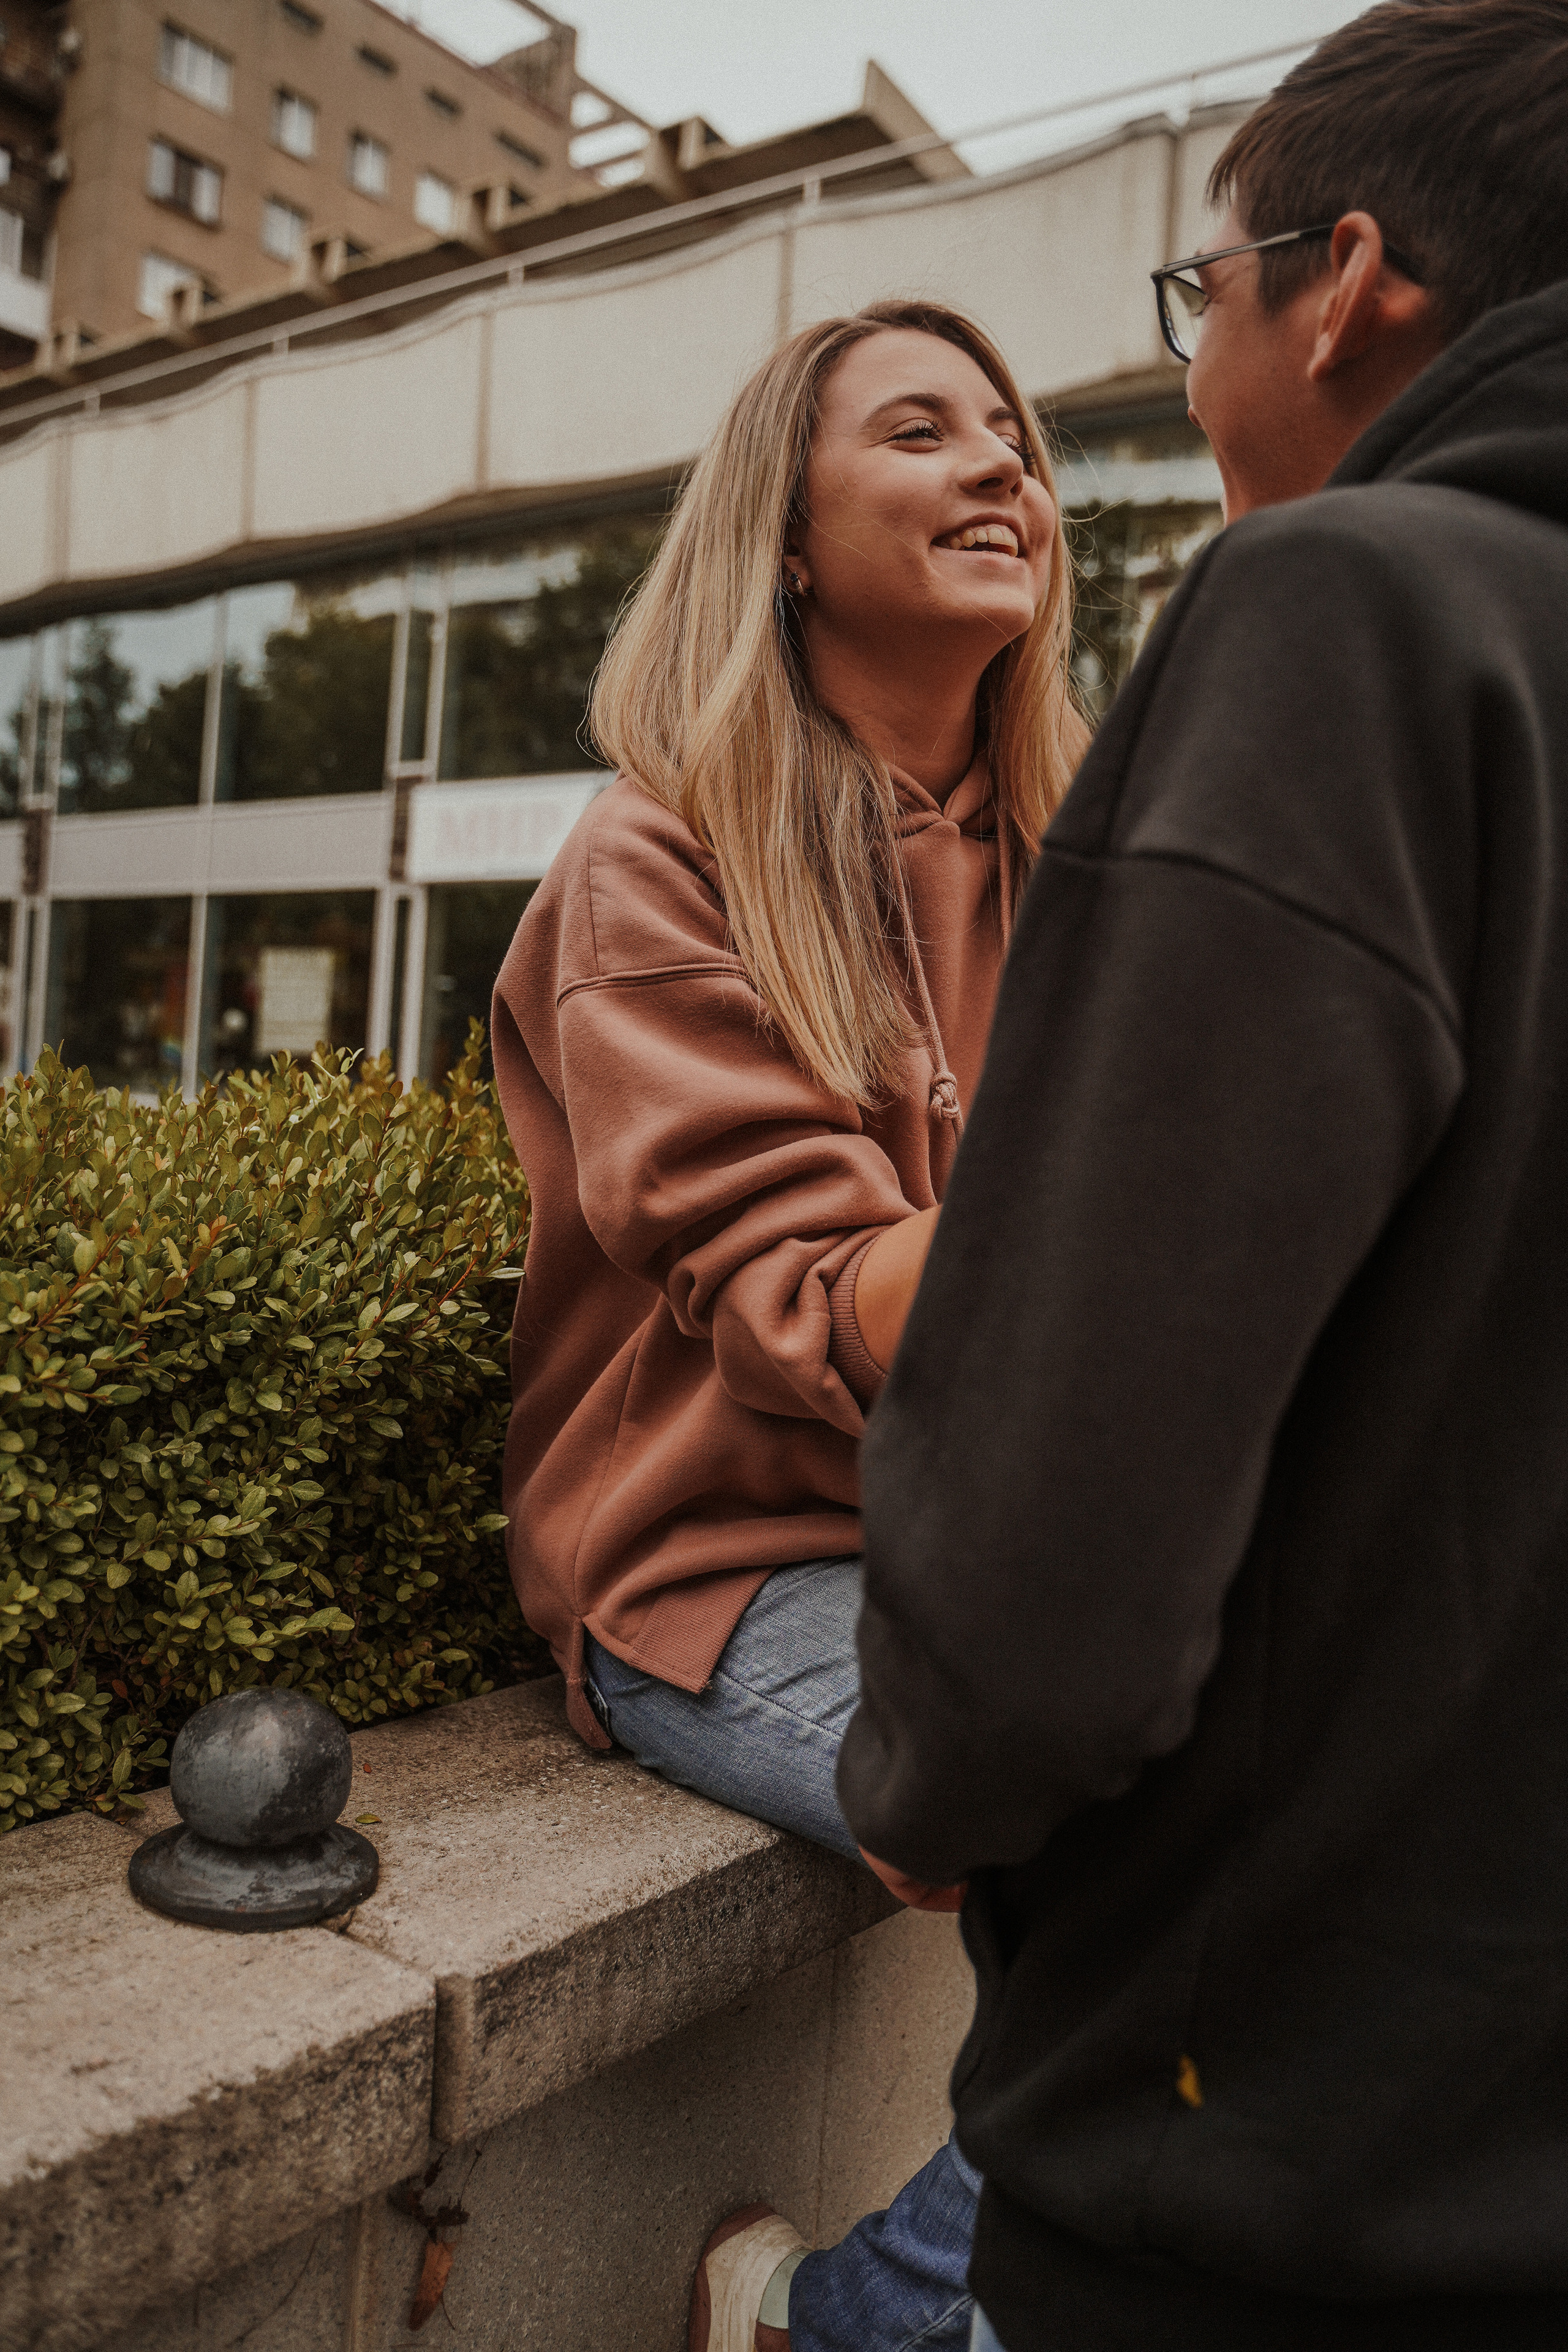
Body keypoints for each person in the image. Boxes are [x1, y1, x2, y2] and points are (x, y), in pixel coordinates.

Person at [834, 5, 1568, 2349]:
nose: (1170, 388)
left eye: (1197, 302)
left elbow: (1070, 1485)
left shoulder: (1343, 613)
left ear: (1344, 279)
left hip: (1290, 2165)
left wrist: (939, 1765)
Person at [489, 300, 1087, 2350]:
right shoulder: (656, 857)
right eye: (927, 431)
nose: (1006, 465)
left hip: (988, 1554)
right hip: (720, 1575)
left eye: (1014, 435)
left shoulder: (1084, 860)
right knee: (1169, 1881)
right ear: (790, 541)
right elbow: (823, 1310)